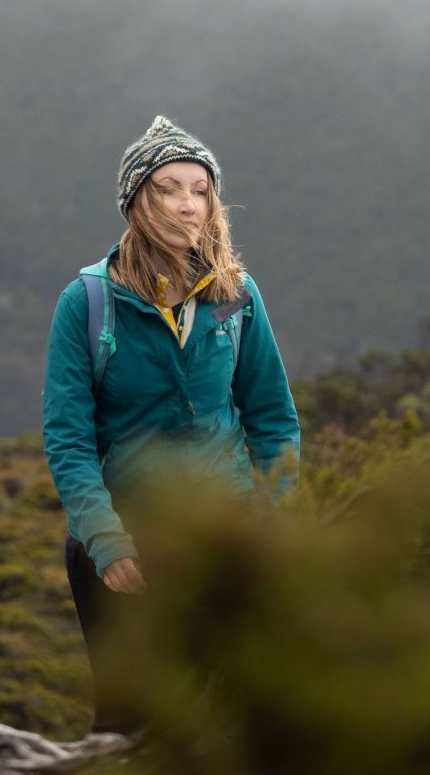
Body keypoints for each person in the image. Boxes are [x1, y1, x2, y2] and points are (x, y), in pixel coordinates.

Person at [39, 115, 301, 731]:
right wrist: (106, 542)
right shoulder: (88, 302)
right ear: (136, 200)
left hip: (222, 534)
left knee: (228, 719)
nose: (189, 206)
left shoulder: (236, 293)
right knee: (129, 721)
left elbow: (272, 418)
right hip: (124, 538)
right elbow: (69, 438)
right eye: (168, 188)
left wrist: (273, 521)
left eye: (200, 189)